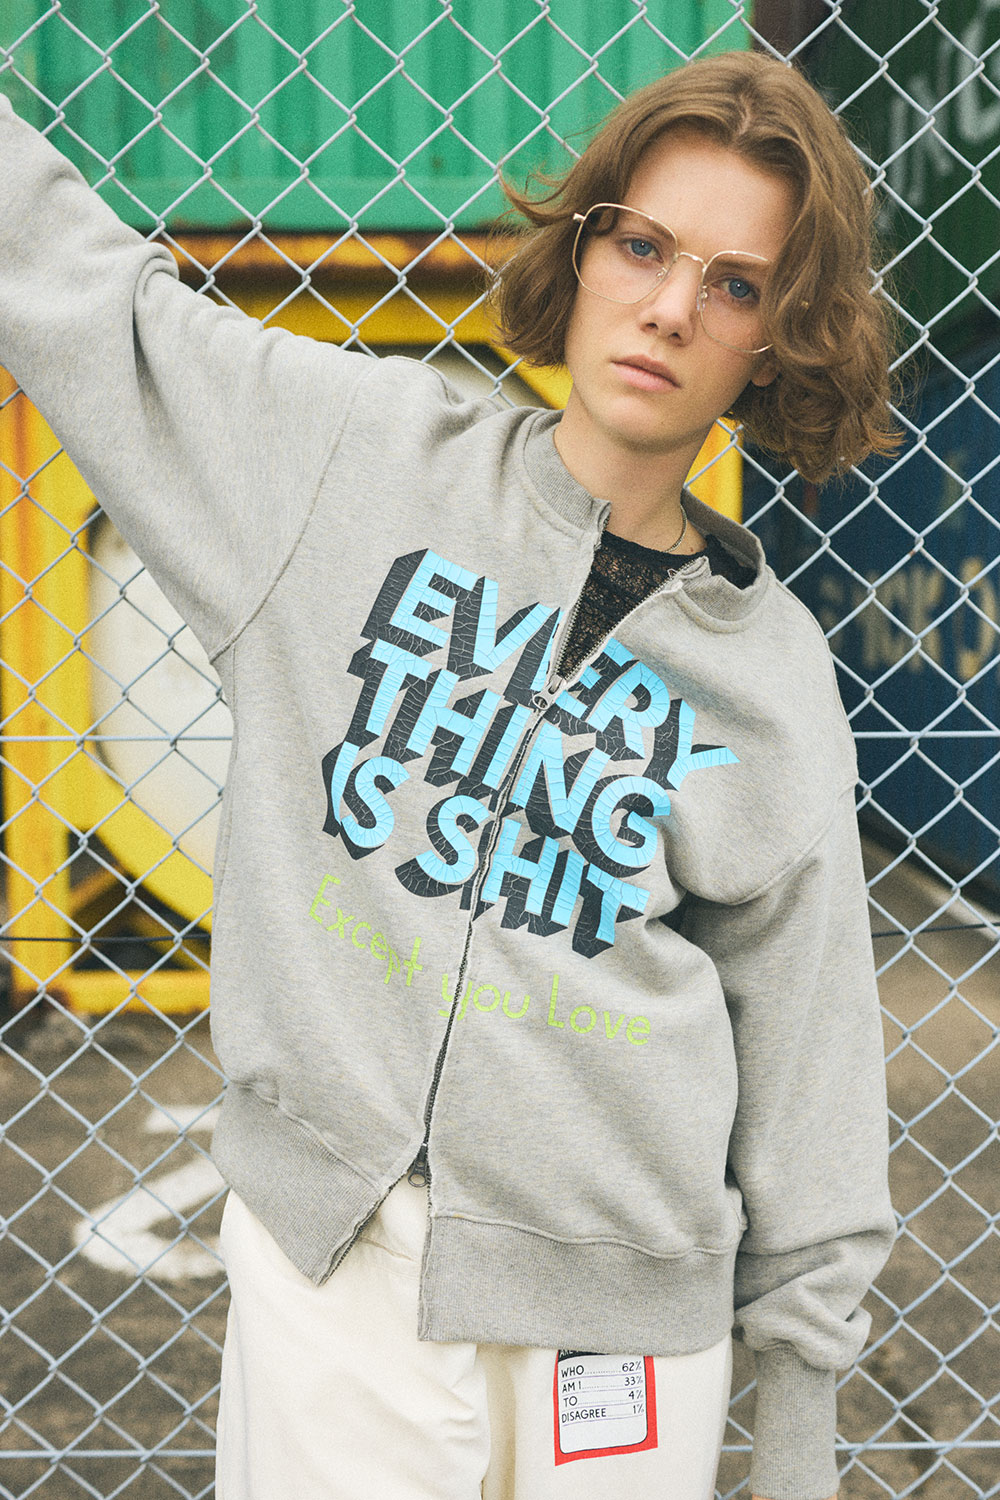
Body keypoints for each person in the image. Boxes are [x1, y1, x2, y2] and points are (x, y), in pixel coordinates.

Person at [0, 45, 896, 1500]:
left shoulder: (775, 676)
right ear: (584, 247)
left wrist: (796, 1429)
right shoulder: (349, 462)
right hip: (340, 1263)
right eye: (645, 246)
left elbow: (813, 1069)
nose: (672, 308)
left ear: (780, 340)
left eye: (736, 286)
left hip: (623, 1319)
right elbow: (96, 298)